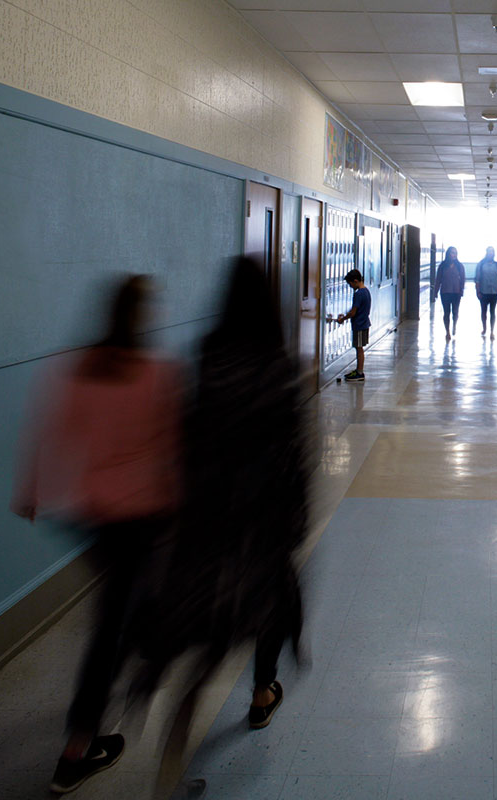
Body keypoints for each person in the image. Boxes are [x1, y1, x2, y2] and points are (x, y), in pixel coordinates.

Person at [139, 258, 312, 787]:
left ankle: (169, 762)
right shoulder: (279, 368)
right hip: (260, 522)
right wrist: (295, 521)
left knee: (208, 642)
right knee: (269, 608)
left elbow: (189, 438)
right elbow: (292, 458)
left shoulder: (207, 357)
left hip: (209, 522)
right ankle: (263, 691)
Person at [12, 275, 181, 795]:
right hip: (147, 513)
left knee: (125, 603)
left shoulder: (75, 369)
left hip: (93, 515)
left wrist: (33, 491)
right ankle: (76, 748)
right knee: (115, 624)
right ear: (144, 317)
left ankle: (141, 658)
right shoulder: (157, 374)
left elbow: (49, 432)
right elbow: (173, 446)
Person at [332, 268, 371, 381]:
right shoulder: (366, 291)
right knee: (359, 348)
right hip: (364, 323)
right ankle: (359, 370)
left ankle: (359, 372)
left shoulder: (358, 294)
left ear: (355, 281)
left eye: (350, 284)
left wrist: (343, 318)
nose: (350, 287)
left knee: (359, 348)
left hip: (359, 325)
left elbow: (353, 312)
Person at [474, 246, 497, 338]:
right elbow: (477, 279)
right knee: (483, 311)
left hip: (494, 292)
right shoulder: (481, 264)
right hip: (483, 292)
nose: (491, 253)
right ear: (486, 253)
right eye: (489, 252)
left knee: (492, 312)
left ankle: (492, 331)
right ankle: (484, 328)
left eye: (492, 252)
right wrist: (478, 291)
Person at [432, 246, 465, 340]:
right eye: (452, 253)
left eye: (455, 253)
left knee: (455, 312)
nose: (454, 255)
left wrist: (461, 290)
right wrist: (435, 292)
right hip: (445, 292)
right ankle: (447, 332)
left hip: (456, 292)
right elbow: (438, 279)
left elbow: (462, 279)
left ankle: (454, 325)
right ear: (448, 254)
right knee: (447, 313)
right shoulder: (442, 266)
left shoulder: (459, 266)